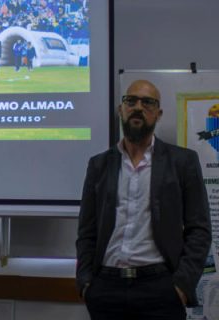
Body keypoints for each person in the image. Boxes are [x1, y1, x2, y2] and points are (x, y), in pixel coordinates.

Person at [76, 80, 211, 320]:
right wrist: (86, 282)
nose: (138, 107)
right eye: (131, 101)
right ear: (121, 109)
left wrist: (181, 286)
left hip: (160, 288)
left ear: (158, 114)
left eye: (147, 102)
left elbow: (199, 230)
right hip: (106, 288)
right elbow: (87, 231)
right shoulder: (98, 165)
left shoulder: (182, 162)